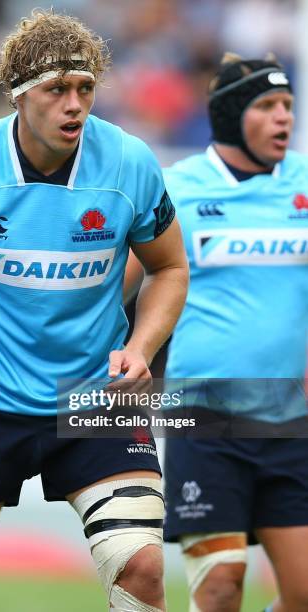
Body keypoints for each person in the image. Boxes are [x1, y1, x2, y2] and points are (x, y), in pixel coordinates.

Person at [0, 10, 189, 612]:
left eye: (85, 88)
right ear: (20, 93)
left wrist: (141, 350)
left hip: (95, 398)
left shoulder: (131, 162)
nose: (74, 105)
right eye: (57, 89)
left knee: (143, 568)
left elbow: (169, 267)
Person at [126, 52, 308, 612]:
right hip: (205, 415)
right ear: (232, 115)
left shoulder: (303, 183)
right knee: (223, 583)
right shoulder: (177, 188)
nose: (284, 118)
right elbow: (121, 290)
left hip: (289, 419)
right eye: (268, 106)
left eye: (288, 106)